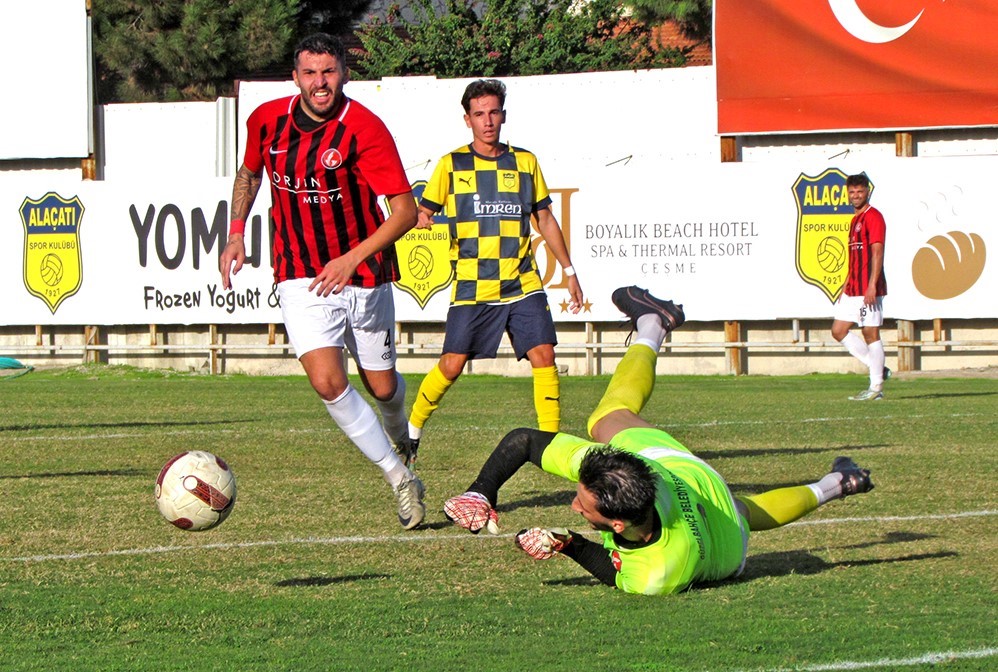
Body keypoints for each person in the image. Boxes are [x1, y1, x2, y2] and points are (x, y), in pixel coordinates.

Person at [443, 285, 875, 596]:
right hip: (693, 489)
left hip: (729, 541)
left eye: (582, 506)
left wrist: (569, 543)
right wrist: (481, 492)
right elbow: (524, 441)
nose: (573, 505)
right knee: (605, 418)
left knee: (744, 511)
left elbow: (615, 573)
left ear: (617, 524)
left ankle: (841, 483)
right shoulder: (620, 472)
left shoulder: (657, 575)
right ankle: (654, 324)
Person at [219, 33, 425, 529]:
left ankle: (401, 429)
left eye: (328, 72)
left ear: (344, 75)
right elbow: (249, 174)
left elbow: (403, 213)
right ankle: (400, 478)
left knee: (381, 388)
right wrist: (235, 232)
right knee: (328, 383)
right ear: (296, 78)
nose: (319, 83)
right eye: (310, 73)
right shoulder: (266, 120)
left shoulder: (365, 129)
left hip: (363, 273)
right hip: (300, 274)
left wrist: (352, 259)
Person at [397, 78, 584, 466]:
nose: (488, 121)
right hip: (473, 284)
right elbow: (423, 213)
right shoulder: (451, 164)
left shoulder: (525, 161)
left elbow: (544, 218)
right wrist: (418, 221)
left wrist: (569, 270)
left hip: (523, 281)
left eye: (494, 112)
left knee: (544, 354)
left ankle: (550, 443)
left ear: (504, 115)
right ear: (467, 119)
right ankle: (412, 428)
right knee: (452, 364)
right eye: (479, 114)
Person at [832, 173, 890, 401]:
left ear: (868, 192)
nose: (856, 195)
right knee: (838, 330)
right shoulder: (855, 219)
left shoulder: (874, 217)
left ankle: (876, 387)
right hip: (853, 287)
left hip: (868, 288)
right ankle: (878, 368)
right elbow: (855, 255)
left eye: (860, 191)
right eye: (852, 192)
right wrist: (846, 281)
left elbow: (877, 251)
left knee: (870, 332)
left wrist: (872, 285)